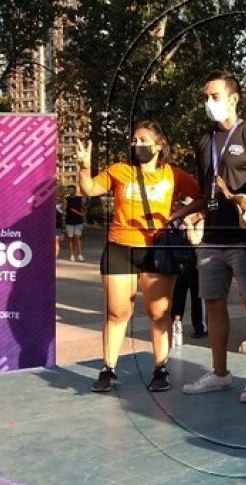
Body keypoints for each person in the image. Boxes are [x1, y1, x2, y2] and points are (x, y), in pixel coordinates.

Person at [76, 120, 200, 393]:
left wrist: (181, 216)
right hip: (120, 247)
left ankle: (160, 369)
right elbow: (89, 189)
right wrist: (85, 166)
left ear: (159, 145)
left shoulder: (174, 174)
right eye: (134, 140)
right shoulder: (119, 171)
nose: (137, 144)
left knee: (158, 313)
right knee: (117, 312)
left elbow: (203, 196)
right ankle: (108, 369)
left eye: (143, 140)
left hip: (157, 250)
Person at [181, 71, 246, 403]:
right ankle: (220, 373)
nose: (209, 103)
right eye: (206, 97)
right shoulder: (204, 140)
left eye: (215, 96)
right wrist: (191, 214)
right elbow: (205, 189)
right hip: (211, 238)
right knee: (213, 304)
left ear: (234, 99)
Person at [170, 197, 206, 340]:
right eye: (182, 206)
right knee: (178, 295)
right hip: (179, 264)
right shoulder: (177, 223)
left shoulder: (199, 222)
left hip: (195, 264)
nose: (184, 210)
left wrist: (190, 225)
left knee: (197, 297)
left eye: (187, 207)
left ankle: (200, 327)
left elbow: (195, 240)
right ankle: (174, 323)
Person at [63, 184, 86, 261]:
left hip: (78, 221)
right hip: (69, 221)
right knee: (71, 239)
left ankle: (80, 254)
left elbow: (83, 207)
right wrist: (64, 205)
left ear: (75, 190)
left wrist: (84, 202)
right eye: (69, 189)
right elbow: (64, 209)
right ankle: (72, 255)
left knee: (78, 238)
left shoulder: (80, 198)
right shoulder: (66, 199)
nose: (70, 191)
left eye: (71, 189)